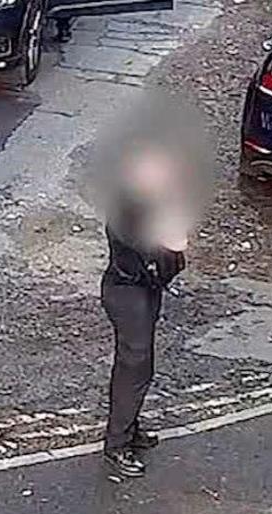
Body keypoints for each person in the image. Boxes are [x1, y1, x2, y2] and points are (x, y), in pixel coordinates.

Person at [101, 145, 190, 477]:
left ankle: (129, 429)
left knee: (141, 367)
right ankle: (117, 445)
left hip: (144, 292)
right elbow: (175, 243)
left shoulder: (147, 204)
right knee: (133, 367)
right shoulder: (130, 215)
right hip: (127, 295)